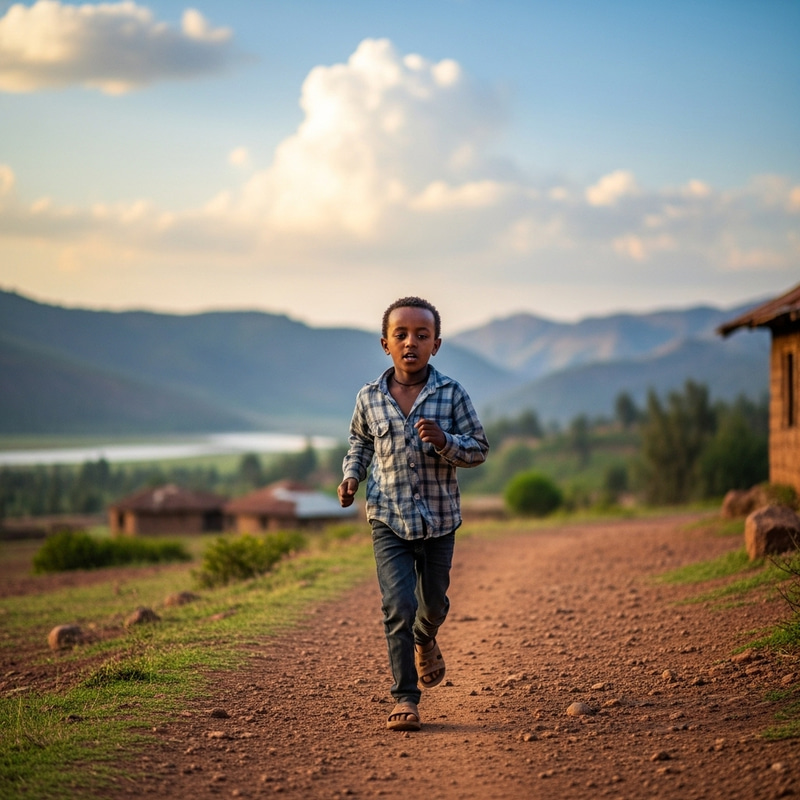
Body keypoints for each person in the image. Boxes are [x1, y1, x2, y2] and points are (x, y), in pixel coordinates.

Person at [338, 296, 489, 731]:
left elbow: (478, 449)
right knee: (398, 606)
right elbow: (359, 443)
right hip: (387, 517)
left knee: (434, 604)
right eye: (400, 334)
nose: (411, 342)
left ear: (436, 344)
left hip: (439, 519)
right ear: (385, 344)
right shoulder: (369, 398)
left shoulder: (451, 394)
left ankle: (426, 639)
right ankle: (406, 697)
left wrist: (444, 441)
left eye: (421, 335)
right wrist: (352, 477)